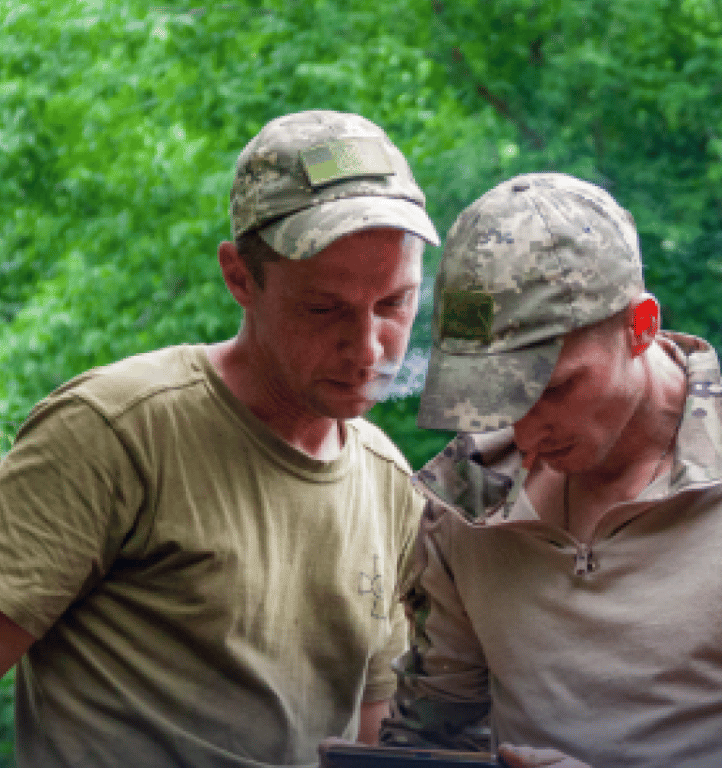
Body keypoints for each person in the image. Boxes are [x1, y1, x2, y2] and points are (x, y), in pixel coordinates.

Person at [381, 172, 722, 768]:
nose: (525, 433)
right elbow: (426, 741)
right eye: (494, 396)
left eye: (554, 388)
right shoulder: (468, 494)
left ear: (641, 326)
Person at [0, 110, 441, 767]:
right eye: (324, 309)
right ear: (240, 278)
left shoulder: (388, 482)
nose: (369, 347)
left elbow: (372, 738)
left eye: (394, 304)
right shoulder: (117, 431)